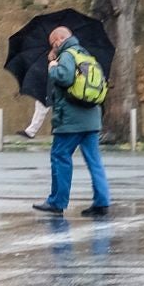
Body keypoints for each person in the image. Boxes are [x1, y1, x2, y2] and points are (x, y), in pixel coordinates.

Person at [32, 25, 111, 218]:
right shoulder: (86, 55)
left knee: (60, 156)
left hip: (71, 119)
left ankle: (57, 202)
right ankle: (102, 202)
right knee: (94, 161)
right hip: (92, 118)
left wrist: (52, 68)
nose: (54, 47)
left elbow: (64, 78)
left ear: (59, 39)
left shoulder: (67, 55)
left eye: (53, 43)